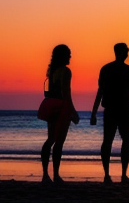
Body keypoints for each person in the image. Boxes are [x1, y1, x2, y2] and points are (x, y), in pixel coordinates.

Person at [90, 43, 129, 184]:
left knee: (108, 141)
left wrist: (93, 113)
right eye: (127, 51)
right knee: (124, 141)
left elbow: (100, 92)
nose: (128, 54)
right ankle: (122, 175)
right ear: (123, 52)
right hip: (124, 109)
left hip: (111, 110)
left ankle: (107, 175)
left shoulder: (105, 69)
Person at [41, 44, 79, 183]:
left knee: (50, 139)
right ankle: (56, 175)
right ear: (63, 56)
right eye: (68, 54)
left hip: (51, 107)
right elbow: (66, 93)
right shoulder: (66, 71)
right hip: (62, 107)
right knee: (59, 142)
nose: (70, 56)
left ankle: (45, 175)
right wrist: (73, 112)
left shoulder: (52, 71)